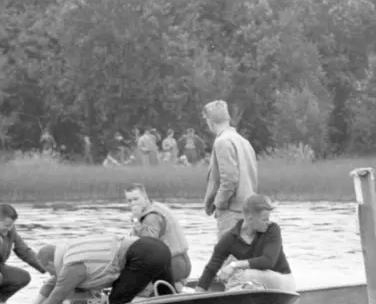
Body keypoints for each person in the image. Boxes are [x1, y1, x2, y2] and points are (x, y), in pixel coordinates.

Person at [19, 235, 176, 304]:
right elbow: (51, 285)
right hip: (159, 247)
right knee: (169, 299)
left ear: (50, 264)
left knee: (115, 302)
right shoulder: (71, 252)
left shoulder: (71, 267)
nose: (51, 275)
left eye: (48, 271)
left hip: (143, 255)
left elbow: (56, 297)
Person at [190, 194, 295, 293]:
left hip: (283, 283)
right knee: (239, 278)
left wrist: (234, 265)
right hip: (256, 285)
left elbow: (268, 261)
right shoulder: (230, 238)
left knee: (243, 275)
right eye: (264, 219)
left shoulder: (272, 229)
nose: (268, 222)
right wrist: (197, 294)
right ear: (250, 219)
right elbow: (212, 268)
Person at [202, 100, 258, 238]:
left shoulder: (222, 142)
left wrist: (219, 204)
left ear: (210, 121)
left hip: (232, 213)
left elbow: (230, 179)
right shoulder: (244, 142)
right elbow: (253, 178)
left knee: (229, 258)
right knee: (244, 257)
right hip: (248, 211)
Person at [125, 182, 192, 284]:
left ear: (145, 197)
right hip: (183, 262)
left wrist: (135, 220)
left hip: (173, 265)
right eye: (129, 201)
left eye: (136, 199)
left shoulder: (151, 217)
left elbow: (149, 243)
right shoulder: (157, 206)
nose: (133, 203)